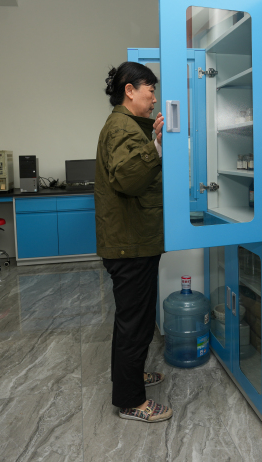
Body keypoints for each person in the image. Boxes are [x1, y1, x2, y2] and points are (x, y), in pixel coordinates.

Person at [94, 61, 173, 423]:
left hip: (132, 241)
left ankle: (131, 376)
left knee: (134, 320)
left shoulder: (126, 126)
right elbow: (127, 178)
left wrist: (153, 140)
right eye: (150, 90)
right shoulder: (121, 127)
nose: (154, 98)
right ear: (130, 90)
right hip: (130, 244)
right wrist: (155, 146)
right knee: (134, 323)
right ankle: (131, 401)